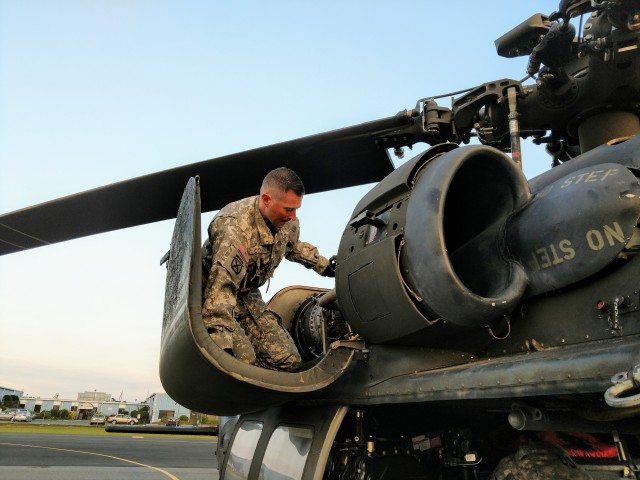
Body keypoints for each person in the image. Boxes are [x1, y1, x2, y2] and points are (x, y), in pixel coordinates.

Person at [201, 167, 336, 371]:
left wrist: (325, 267)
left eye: (296, 209)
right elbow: (222, 286)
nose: (293, 216)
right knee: (241, 363)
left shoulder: (287, 223)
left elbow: (292, 246)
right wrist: (221, 342)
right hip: (212, 296)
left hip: (247, 295)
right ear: (266, 199)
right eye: (288, 209)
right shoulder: (234, 228)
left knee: (288, 360)